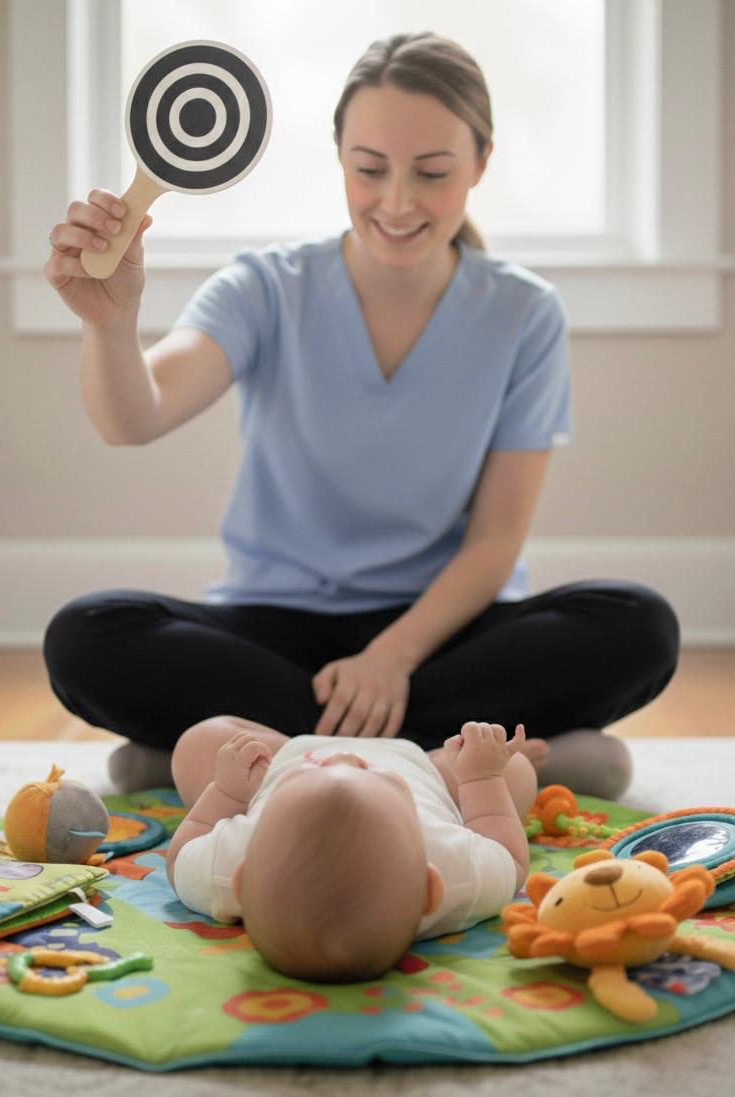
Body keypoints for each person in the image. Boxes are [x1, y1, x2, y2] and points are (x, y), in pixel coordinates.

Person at [43, 32, 680, 801]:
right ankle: (458, 761)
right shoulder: (264, 287)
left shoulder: (524, 312)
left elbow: (494, 543)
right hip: (276, 628)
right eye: (370, 169)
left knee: (640, 624)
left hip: (440, 635)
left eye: (432, 173)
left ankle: (239, 755)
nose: (397, 202)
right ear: (340, 157)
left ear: (481, 162)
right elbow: (133, 417)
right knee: (85, 635)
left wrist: (392, 658)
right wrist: (110, 324)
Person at [164, 716, 538, 982]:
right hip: (427, 768)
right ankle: (505, 758)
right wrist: (481, 777)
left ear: (242, 881)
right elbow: (508, 854)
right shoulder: (456, 871)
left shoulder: (232, 864)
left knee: (200, 740)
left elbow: (182, 853)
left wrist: (227, 793)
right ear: (429, 890)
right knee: (515, 771)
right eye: (366, 769)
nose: (344, 758)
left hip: (283, 757)